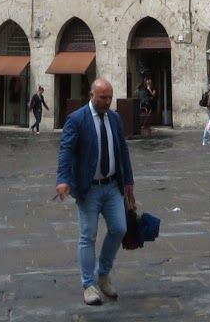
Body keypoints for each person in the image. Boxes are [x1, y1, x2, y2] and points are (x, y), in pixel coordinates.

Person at [55, 78, 136, 307]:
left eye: (110, 97)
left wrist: (128, 181)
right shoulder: (77, 119)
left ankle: (103, 273)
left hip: (112, 186)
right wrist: (63, 179)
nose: (107, 102)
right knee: (88, 235)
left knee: (119, 228)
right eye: (103, 97)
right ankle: (88, 284)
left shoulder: (114, 118)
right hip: (88, 188)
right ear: (92, 95)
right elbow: (66, 151)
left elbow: (122, 149)